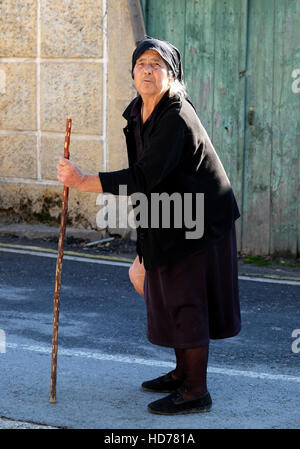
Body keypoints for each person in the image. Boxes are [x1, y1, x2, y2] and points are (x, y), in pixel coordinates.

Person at [57, 37, 241, 415]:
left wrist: (82, 180)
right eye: (142, 63)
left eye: (157, 64)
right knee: (144, 276)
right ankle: (181, 373)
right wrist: (146, 239)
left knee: (185, 300)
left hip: (197, 223)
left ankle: (195, 391)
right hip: (169, 217)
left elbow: (143, 177)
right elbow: (152, 186)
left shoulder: (176, 116)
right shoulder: (139, 112)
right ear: (133, 72)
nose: (148, 70)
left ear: (171, 75)